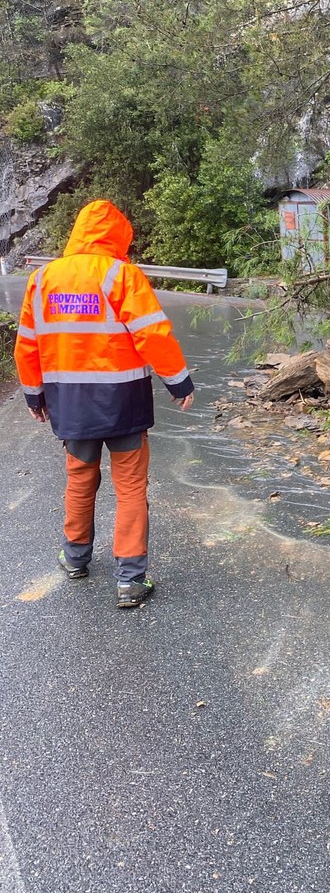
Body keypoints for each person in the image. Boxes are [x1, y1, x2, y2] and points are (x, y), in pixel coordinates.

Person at [14, 199, 195, 608]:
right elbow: (152, 334)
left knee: (80, 479)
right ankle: (130, 580)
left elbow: (27, 343)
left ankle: (75, 558)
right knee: (130, 487)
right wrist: (178, 382)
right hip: (123, 401)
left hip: (70, 402)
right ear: (118, 236)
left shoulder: (43, 278)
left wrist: (34, 394)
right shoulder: (122, 274)